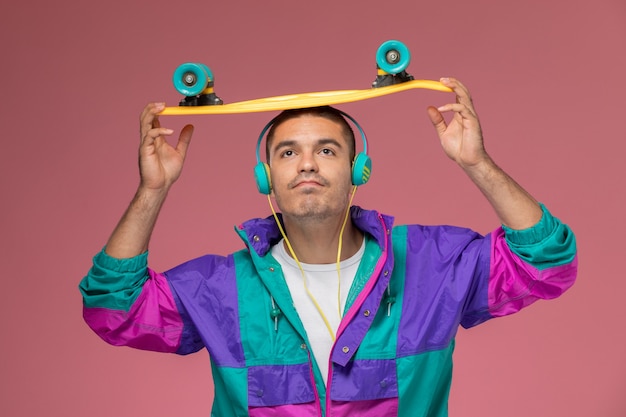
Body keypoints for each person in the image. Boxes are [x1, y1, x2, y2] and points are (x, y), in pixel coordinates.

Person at [79, 78, 577, 417]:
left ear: (358, 171)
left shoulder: (432, 265)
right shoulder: (220, 287)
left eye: (327, 149)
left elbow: (547, 262)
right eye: (288, 152)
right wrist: (153, 190)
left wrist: (477, 162)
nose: (308, 164)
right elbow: (113, 311)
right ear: (266, 177)